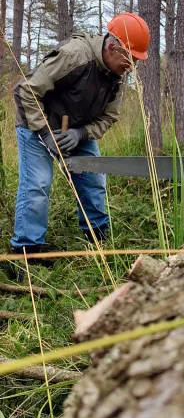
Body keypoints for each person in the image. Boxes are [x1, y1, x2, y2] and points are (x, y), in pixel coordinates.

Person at [9, 13, 150, 265]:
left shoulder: (117, 77)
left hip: (76, 131)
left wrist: (81, 134)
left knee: (94, 179)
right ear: (112, 47)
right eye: (130, 57)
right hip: (37, 125)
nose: (132, 65)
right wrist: (45, 133)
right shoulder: (75, 55)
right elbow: (25, 90)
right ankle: (27, 253)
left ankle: (98, 237)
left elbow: (109, 118)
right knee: (38, 184)